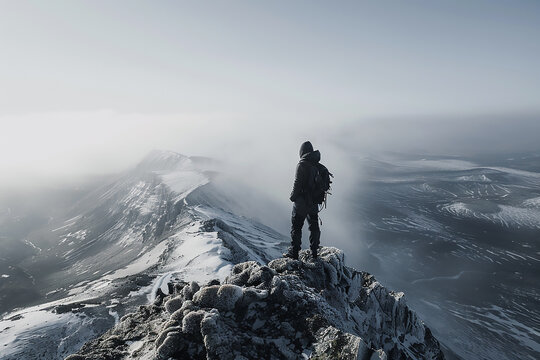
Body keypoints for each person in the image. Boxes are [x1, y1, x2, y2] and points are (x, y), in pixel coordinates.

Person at [284, 141, 321, 260]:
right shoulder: (316, 164)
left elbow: (297, 183)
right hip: (314, 202)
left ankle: (295, 254)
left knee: (296, 227)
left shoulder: (302, 164)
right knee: (314, 226)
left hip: (301, 203)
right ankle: (314, 252)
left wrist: (293, 197)